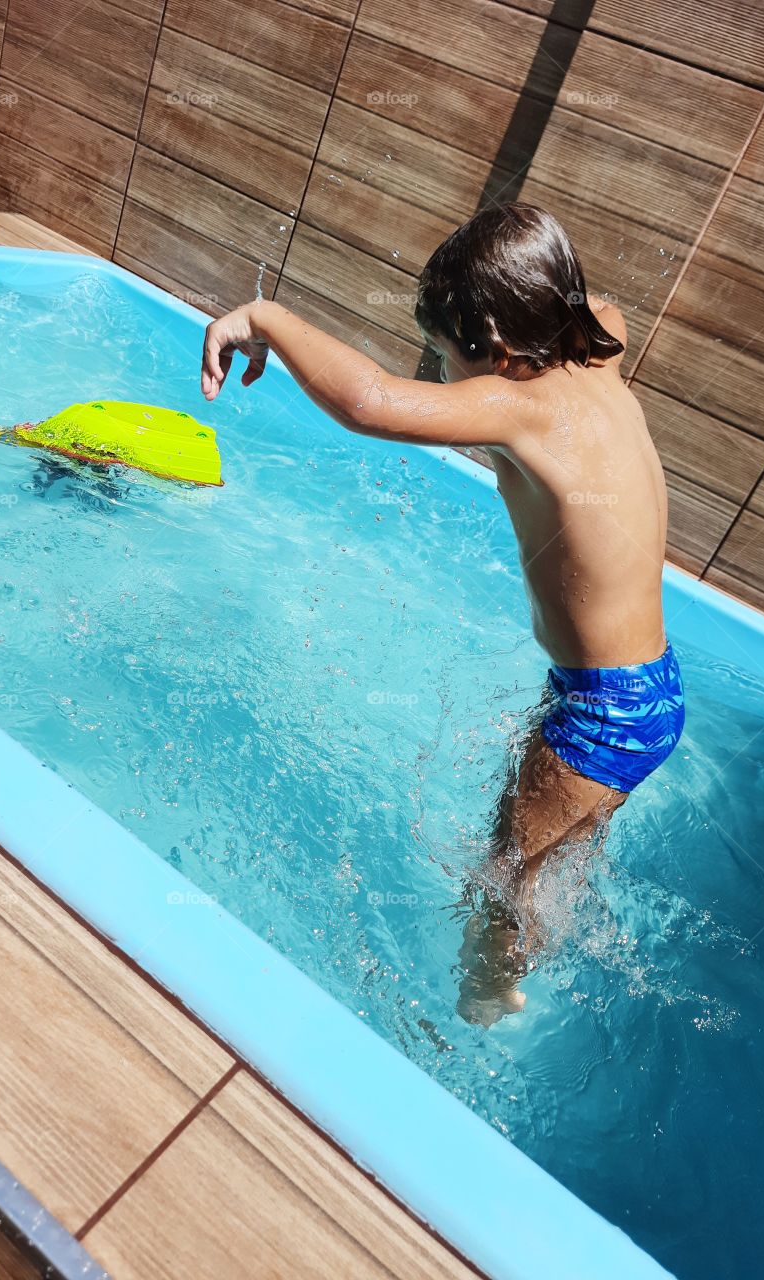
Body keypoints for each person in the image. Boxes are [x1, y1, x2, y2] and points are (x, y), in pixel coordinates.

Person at [200, 203, 685, 1025]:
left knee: (502, 883)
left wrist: (265, 317)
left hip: (605, 715)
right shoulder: (600, 350)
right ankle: (535, 946)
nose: (444, 373)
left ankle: (484, 1008)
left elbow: (370, 402)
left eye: (447, 355)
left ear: (497, 349)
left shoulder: (524, 408)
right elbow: (597, 305)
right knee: (543, 860)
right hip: (646, 693)